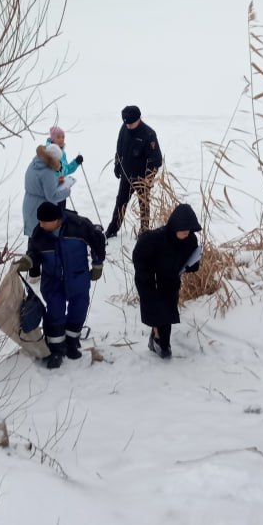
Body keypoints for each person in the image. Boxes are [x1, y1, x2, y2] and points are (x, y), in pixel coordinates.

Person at [20, 201, 106, 369]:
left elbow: (97, 241)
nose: (41, 225)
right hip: (52, 281)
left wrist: (97, 265)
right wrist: (29, 262)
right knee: (55, 312)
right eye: (40, 221)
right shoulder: (39, 234)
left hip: (78, 277)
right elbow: (34, 253)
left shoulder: (79, 225)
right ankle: (56, 349)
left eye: (45, 222)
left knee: (79, 309)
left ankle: (72, 342)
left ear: (57, 220)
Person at [131, 203, 203, 359]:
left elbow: (190, 261)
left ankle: (161, 342)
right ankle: (158, 340)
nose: (186, 234)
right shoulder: (154, 238)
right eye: (183, 231)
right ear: (174, 227)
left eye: (188, 231)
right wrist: (146, 275)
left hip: (170, 280)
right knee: (157, 311)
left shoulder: (190, 240)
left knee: (168, 311)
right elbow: (138, 256)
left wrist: (193, 265)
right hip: (150, 280)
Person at [106, 105, 163, 239]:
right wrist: (117, 165)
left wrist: (148, 179)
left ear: (139, 119)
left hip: (142, 178)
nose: (129, 126)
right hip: (126, 175)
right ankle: (113, 229)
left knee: (144, 205)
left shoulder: (149, 134)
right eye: (126, 124)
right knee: (120, 202)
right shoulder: (124, 128)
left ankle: (144, 232)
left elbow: (157, 161)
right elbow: (119, 148)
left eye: (131, 124)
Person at [22, 143, 72, 235]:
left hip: (29, 203)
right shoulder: (48, 172)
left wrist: (56, 182)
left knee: (34, 236)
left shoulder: (35, 163)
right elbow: (52, 196)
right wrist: (66, 192)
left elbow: (38, 183)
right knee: (44, 238)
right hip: (41, 208)